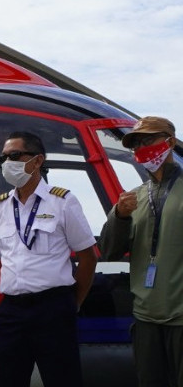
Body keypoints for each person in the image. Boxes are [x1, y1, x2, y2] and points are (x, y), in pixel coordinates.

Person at [0, 131, 97, 387]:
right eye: (3, 157)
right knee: (10, 380)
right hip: (12, 311)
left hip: (53, 308)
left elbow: (88, 257)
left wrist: (73, 303)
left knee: (63, 380)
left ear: (38, 161)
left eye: (14, 156)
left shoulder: (63, 201)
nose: (7, 163)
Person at [100, 116, 183, 387]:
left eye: (148, 140)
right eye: (136, 144)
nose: (141, 148)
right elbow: (109, 251)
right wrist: (119, 217)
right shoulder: (132, 198)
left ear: (169, 142)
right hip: (146, 318)